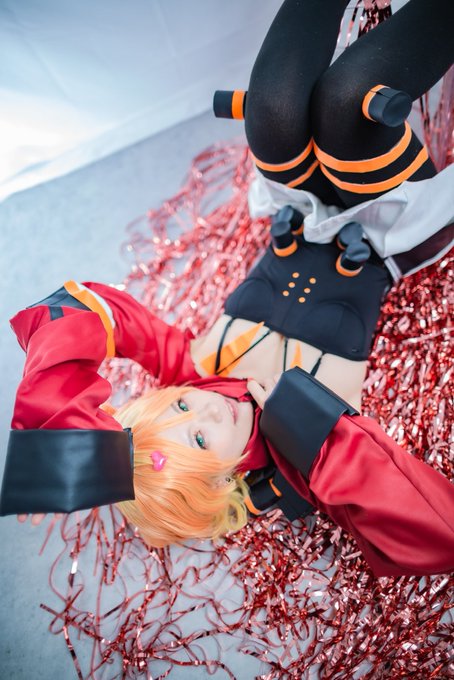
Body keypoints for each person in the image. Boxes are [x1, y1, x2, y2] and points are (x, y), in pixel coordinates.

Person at [1, 0, 453, 578]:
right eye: (199, 439)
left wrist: (67, 450)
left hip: (301, 203)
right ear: (221, 483)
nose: (206, 409)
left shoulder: (194, 370)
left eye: (181, 406)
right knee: (347, 102)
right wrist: (305, 424)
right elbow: (438, 536)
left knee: (273, 107)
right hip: (385, 225)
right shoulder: (297, 465)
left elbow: (84, 311)